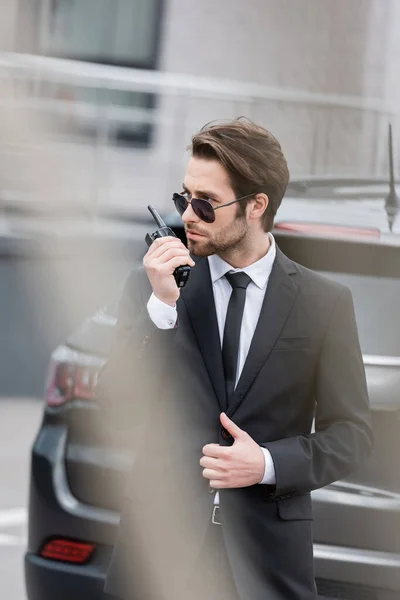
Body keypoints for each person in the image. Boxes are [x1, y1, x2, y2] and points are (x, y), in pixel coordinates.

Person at [96, 118, 373, 600]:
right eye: (184, 198)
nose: (187, 215)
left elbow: (351, 436)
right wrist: (162, 309)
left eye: (205, 203)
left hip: (266, 563)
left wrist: (266, 463)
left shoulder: (323, 303)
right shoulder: (156, 284)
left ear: (256, 206)